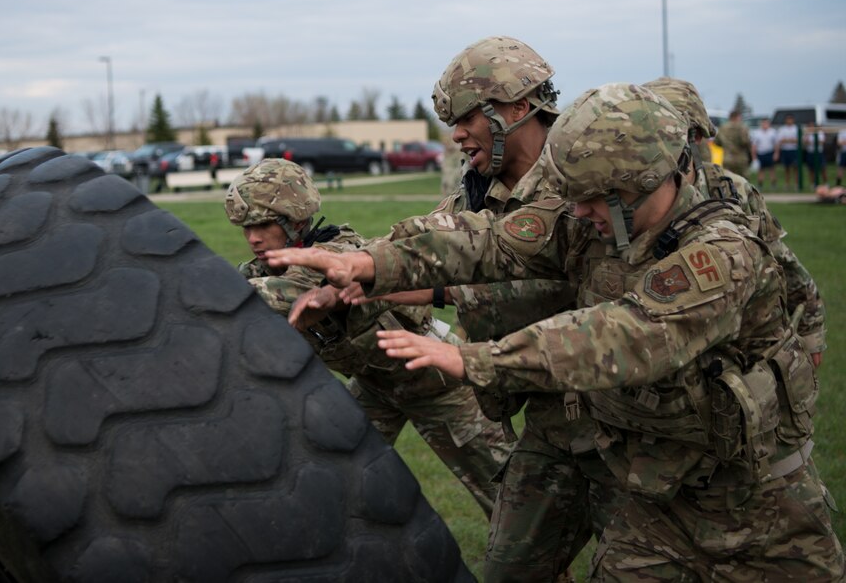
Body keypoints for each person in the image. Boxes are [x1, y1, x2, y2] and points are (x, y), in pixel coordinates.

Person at [268, 83, 844, 580]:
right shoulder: (591, 222)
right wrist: (369, 265)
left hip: (760, 509)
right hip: (654, 504)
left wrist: (474, 360)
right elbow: (487, 241)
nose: (578, 211)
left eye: (592, 198)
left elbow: (623, 336)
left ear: (640, 181)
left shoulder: (722, 252)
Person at [329, 36, 623, 582]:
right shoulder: (475, 193)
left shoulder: (591, 179)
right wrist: (356, 276)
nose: (457, 133)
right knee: (512, 570)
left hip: (621, 425)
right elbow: (436, 263)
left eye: (467, 117)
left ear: (516, 108)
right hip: (549, 425)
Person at [223, 158, 510, 516]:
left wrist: (202, 288)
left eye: (264, 224)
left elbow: (286, 292)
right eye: (246, 227)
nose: (253, 237)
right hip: (374, 385)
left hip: (439, 384)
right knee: (330, 481)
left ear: (295, 220)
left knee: (506, 500)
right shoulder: (259, 271)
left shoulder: (338, 253)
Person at [644, 77, 826, 368]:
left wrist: (811, 328)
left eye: (673, 133)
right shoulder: (628, 198)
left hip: (729, 355)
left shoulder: (733, 191)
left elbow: (783, 262)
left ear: (697, 137)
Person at [716, 109, 751, 176]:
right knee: (743, 181)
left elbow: (717, 142)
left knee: (728, 180)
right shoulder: (742, 127)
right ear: (738, 117)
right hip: (741, 159)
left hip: (727, 158)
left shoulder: (723, 127)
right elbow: (746, 142)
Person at [750, 117, 778, 188]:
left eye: (766, 123)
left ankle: (773, 184)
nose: (765, 125)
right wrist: (754, 156)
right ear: (761, 124)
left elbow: (776, 144)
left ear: (769, 124)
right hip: (760, 154)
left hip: (770, 153)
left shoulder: (773, 132)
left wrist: (776, 153)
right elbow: (754, 146)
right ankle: (760, 184)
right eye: (764, 123)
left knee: (772, 169)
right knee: (761, 170)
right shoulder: (757, 133)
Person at [776, 113, 800, 188]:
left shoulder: (796, 128)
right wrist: (790, 140)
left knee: (795, 168)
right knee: (787, 168)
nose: (789, 121)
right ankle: (787, 184)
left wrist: (787, 140)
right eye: (788, 119)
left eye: (790, 119)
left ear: (793, 120)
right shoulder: (782, 129)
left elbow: (798, 140)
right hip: (785, 150)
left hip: (794, 150)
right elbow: (780, 140)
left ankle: (796, 184)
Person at [802, 121, 826, 187]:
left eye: (812, 125)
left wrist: (811, 142)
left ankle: (825, 183)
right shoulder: (807, 133)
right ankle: (813, 184)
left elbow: (822, 142)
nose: (811, 127)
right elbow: (804, 142)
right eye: (810, 126)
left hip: (819, 152)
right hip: (810, 153)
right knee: (811, 169)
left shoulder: (819, 132)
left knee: (822, 168)